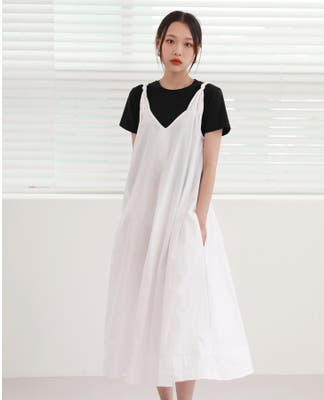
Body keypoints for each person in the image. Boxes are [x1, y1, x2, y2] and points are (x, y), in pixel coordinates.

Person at [101, 10, 254, 400]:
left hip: (185, 220)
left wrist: (197, 219)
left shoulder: (208, 98)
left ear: (196, 51)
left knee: (185, 315)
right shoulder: (139, 97)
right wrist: (137, 218)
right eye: (171, 40)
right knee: (151, 311)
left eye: (188, 44)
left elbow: (210, 165)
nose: (178, 50)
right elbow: (143, 163)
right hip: (144, 221)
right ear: (158, 43)